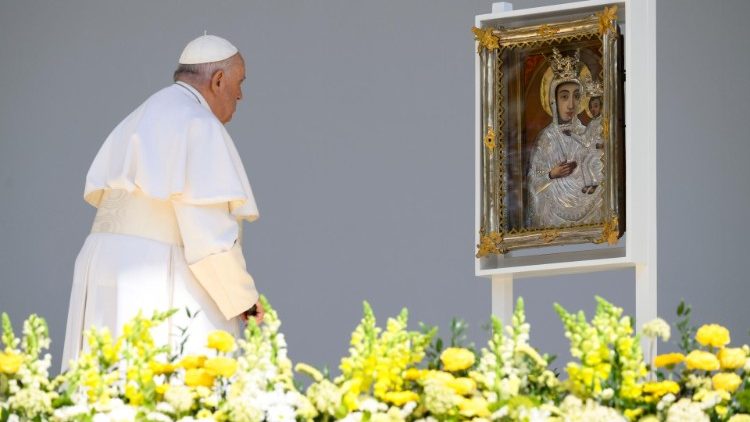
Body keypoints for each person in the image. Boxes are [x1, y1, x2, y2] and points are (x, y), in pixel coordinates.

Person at [62, 35, 264, 369]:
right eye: (239, 84)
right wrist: (242, 297)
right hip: (152, 274)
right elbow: (208, 240)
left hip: (102, 263)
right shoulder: (199, 124)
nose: (241, 95)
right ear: (218, 80)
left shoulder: (139, 116)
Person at [527, 48, 603, 228]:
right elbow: (533, 179)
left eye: (576, 97)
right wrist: (552, 174)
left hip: (588, 207)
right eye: (564, 97)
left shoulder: (586, 132)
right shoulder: (546, 138)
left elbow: (599, 167)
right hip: (554, 211)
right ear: (553, 100)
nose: (571, 104)